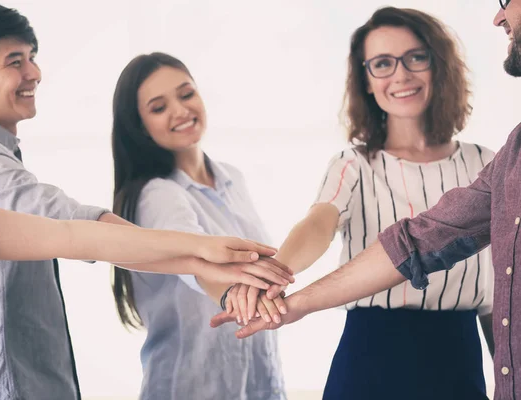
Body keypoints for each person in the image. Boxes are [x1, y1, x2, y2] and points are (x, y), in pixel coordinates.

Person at [0, 2, 292, 399]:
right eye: (15, 61)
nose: (35, 73)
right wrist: (206, 257)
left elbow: (69, 232)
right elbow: (75, 231)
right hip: (2, 384)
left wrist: (210, 261)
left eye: (32, 57)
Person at [221, 2, 521, 400]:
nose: (401, 74)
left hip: (458, 361)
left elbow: (501, 285)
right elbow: (318, 225)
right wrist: (276, 273)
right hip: (371, 359)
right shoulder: (353, 165)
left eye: (416, 57)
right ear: (365, 80)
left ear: (439, 65)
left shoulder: (488, 161)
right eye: (382, 63)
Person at [110, 52, 290, 400]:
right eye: (159, 107)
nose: (180, 110)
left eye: (186, 93)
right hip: (193, 387)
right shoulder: (157, 194)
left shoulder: (230, 177)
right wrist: (232, 293)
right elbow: (196, 264)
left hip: (259, 383)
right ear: (139, 125)